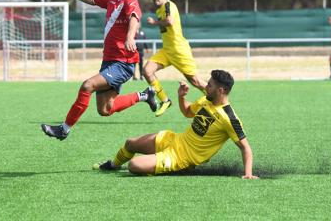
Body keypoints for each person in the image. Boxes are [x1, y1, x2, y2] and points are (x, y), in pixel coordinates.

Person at [41, 0, 157, 141]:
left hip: (123, 63)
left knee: (87, 85)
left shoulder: (130, 1)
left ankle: (63, 129)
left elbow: (135, 17)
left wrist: (130, 37)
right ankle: (144, 95)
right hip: (109, 61)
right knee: (105, 109)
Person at [93, 69, 257, 178]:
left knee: (134, 165)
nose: (206, 87)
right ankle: (113, 165)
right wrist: (181, 96)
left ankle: (171, 168)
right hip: (174, 140)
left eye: (210, 85)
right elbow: (187, 112)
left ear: (221, 90)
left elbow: (245, 148)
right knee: (130, 143)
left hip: (180, 158)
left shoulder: (230, 118)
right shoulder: (205, 101)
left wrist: (248, 173)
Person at [144, 0, 206, 117]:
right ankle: (165, 101)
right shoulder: (159, 10)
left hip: (179, 50)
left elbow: (170, 21)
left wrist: (155, 23)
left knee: (195, 81)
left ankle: (217, 100)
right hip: (167, 50)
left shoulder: (168, 5)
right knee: (147, 71)